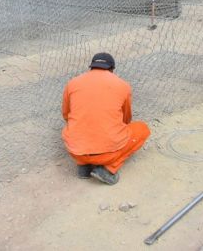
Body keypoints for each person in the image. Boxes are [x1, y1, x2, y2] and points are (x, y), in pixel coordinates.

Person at [61, 53, 150, 185]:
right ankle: (108, 169)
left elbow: (66, 114)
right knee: (143, 129)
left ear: (91, 67)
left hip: (76, 151)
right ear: (112, 69)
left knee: (72, 129)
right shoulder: (123, 85)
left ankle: (83, 166)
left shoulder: (72, 83)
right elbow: (126, 119)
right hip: (107, 153)